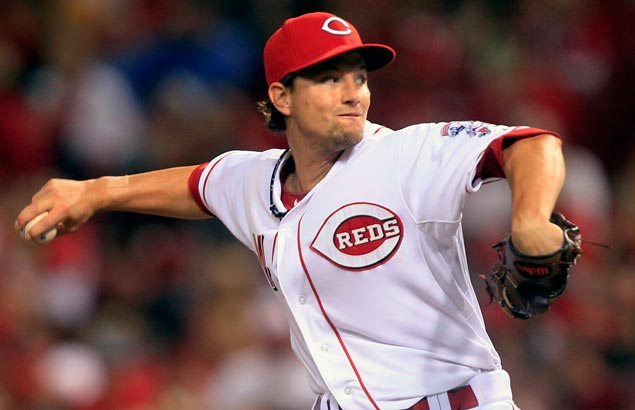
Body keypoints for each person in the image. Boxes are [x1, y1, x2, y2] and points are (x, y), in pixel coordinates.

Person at [16, 11, 568, 410]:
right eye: (331, 79)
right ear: (282, 97)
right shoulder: (250, 179)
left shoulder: (406, 154)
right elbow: (195, 186)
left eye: (360, 76)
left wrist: (530, 219)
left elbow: (531, 144)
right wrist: (95, 193)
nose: (354, 93)